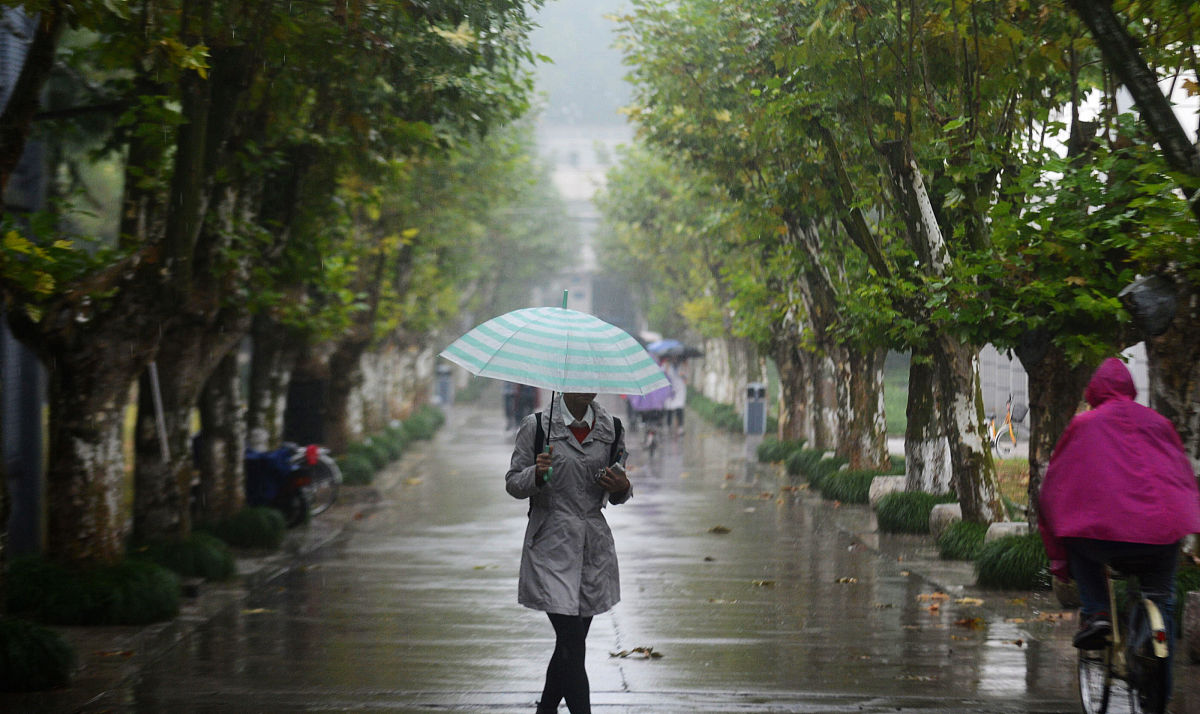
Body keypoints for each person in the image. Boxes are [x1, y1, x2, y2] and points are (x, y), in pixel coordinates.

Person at [1039, 358, 1200, 661]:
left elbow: (1054, 488)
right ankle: (1158, 646)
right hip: (1161, 536)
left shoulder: (1084, 424)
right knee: (1161, 600)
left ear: (1094, 391)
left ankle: (1098, 613)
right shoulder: (1159, 423)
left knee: (1078, 544)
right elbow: (1181, 475)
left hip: (1103, 539)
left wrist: (1059, 553)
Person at [505, 392, 631, 714]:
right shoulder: (536, 426)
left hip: (592, 548)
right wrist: (535, 473)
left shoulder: (612, 429)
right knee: (572, 643)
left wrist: (621, 486)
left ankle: (545, 710)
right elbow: (513, 483)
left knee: (569, 647)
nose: (586, 385)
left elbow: (617, 493)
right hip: (550, 544)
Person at [663, 359, 687, 436]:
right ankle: (668, 425)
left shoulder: (683, 365)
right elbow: (662, 374)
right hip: (670, 389)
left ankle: (680, 427)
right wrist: (665, 369)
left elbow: (686, 378)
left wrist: (683, 374)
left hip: (680, 390)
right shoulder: (666, 365)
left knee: (679, 409)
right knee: (669, 409)